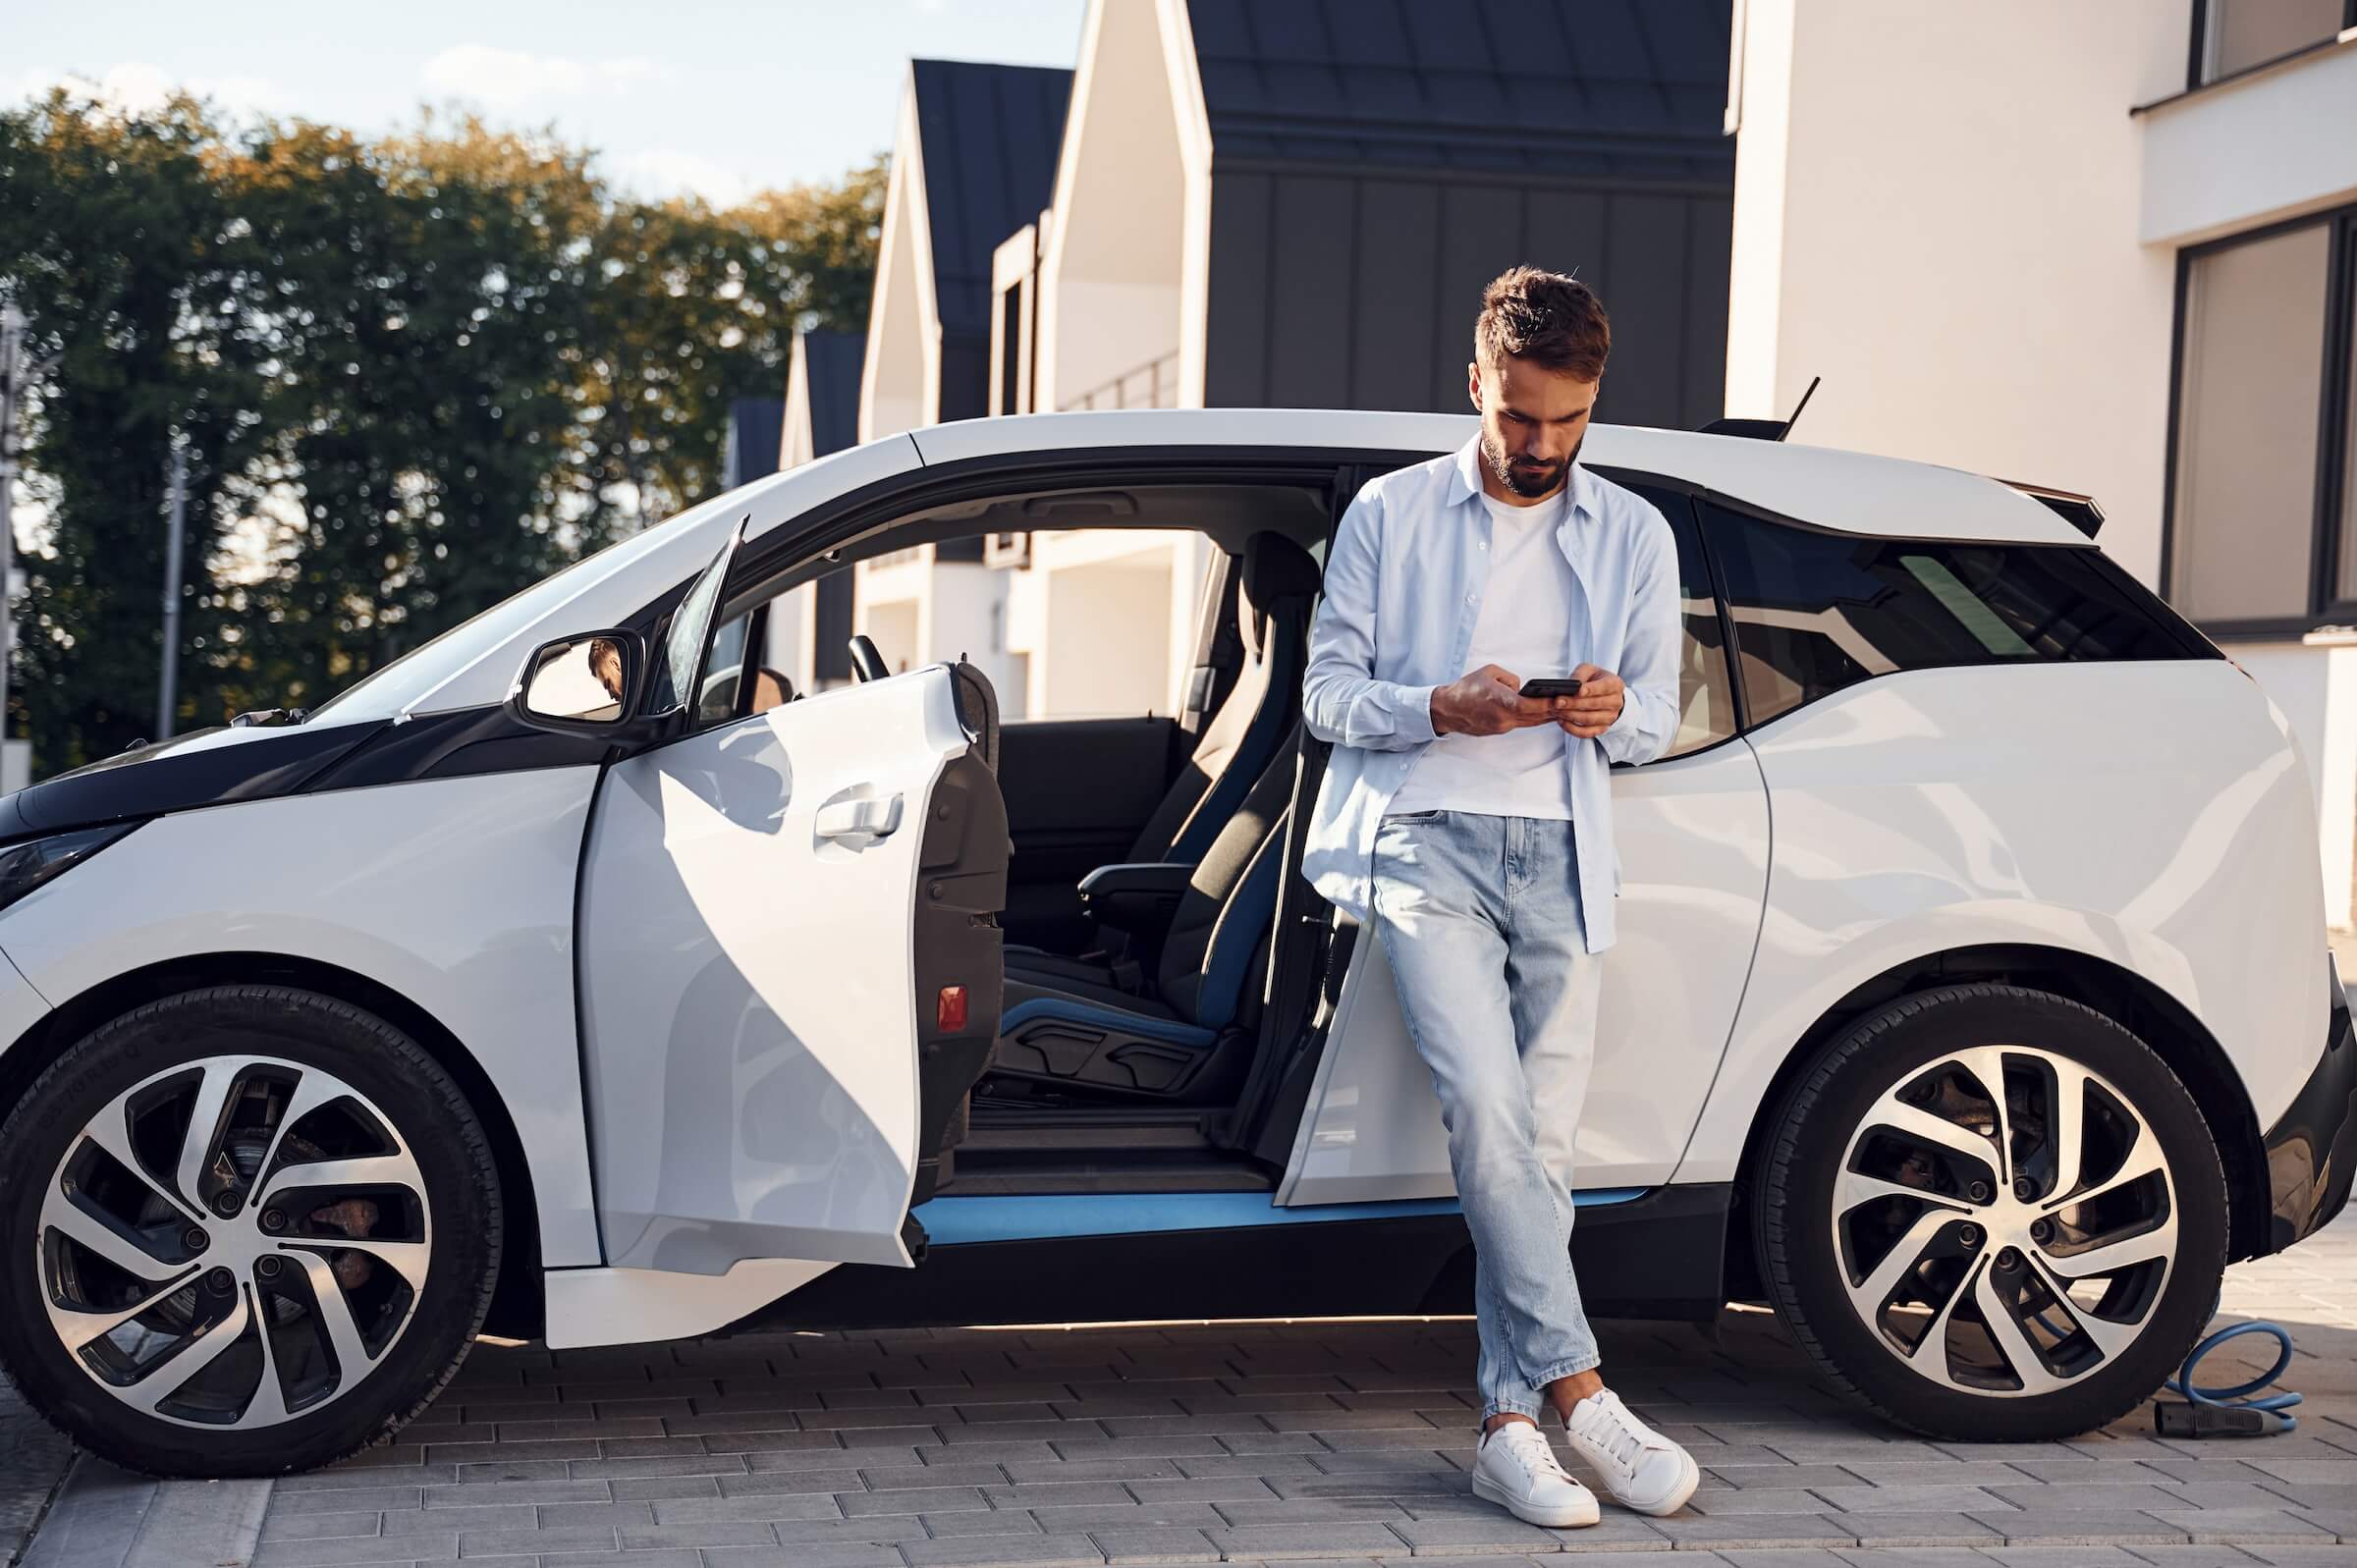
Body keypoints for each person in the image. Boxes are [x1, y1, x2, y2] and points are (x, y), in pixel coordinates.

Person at [1299, 266, 1697, 1529]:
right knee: (1484, 1107)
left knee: (1543, 1152)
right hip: (1426, 840)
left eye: (1568, 421)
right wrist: (1435, 705)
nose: (1541, 446)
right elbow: (1324, 693)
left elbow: (1657, 718)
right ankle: (1583, 1387)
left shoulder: (1635, 533)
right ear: (1477, 383)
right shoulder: (1387, 512)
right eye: (1520, 416)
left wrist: (1613, 711)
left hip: (1567, 851)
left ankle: (1506, 1425)